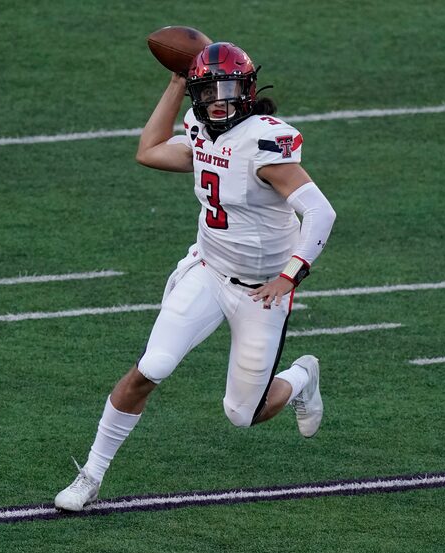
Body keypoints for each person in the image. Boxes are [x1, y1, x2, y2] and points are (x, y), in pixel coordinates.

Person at [55, 42, 337, 511]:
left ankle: (301, 376)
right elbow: (148, 150)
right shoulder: (200, 128)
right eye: (206, 91)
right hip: (208, 270)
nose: (217, 101)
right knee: (152, 367)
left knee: (244, 414)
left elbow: (320, 212)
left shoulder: (264, 143)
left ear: (247, 91)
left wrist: (290, 276)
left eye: (227, 90)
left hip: (260, 292)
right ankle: (91, 474)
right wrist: (174, 81)